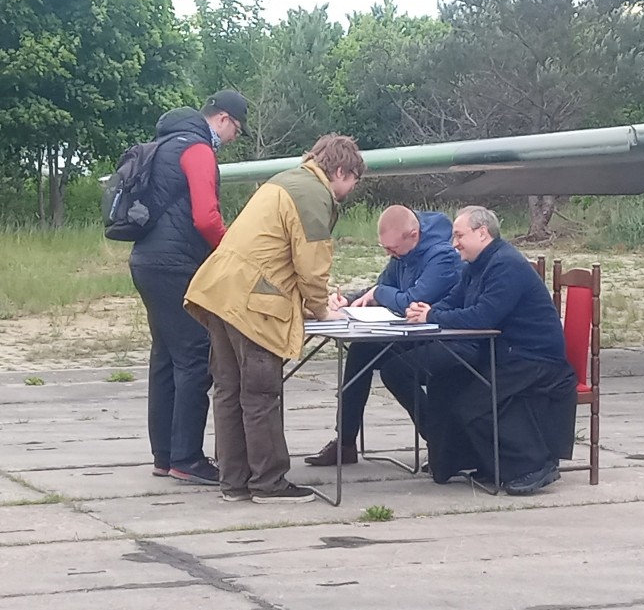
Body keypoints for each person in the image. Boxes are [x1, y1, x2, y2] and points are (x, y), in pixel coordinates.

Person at [184, 133, 365, 503]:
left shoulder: (285, 180)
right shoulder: (314, 194)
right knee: (261, 392)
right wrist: (321, 307)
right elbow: (312, 265)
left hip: (220, 290)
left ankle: (234, 481)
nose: (351, 189)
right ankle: (269, 482)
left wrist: (305, 301)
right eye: (353, 182)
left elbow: (275, 254)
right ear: (342, 171)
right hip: (254, 304)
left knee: (229, 392)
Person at [380, 205, 578, 495]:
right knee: (447, 382)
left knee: (472, 402)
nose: (454, 242)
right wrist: (428, 310)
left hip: (533, 357)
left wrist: (432, 317)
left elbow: (482, 316)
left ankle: (534, 466)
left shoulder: (505, 265)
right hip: (503, 351)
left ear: (482, 233)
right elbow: (455, 300)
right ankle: (467, 459)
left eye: (459, 235)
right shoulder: (476, 264)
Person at [130, 89, 250, 485]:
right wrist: (231, 249)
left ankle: (163, 455)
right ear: (223, 120)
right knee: (195, 356)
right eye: (236, 130)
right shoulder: (198, 149)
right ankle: (187, 457)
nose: (232, 139)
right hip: (176, 264)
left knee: (165, 357)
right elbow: (205, 216)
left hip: (145, 261)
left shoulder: (163, 145)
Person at [304, 205, 462, 467]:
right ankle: (344, 441)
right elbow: (383, 286)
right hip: (409, 333)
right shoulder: (403, 252)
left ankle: (439, 439)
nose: (390, 254)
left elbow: (411, 299)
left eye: (392, 249)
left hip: (443, 337)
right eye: (385, 249)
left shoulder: (443, 256)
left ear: (413, 234)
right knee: (360, 351)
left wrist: (378, 293)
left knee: (396, 370)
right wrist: (349, 301)